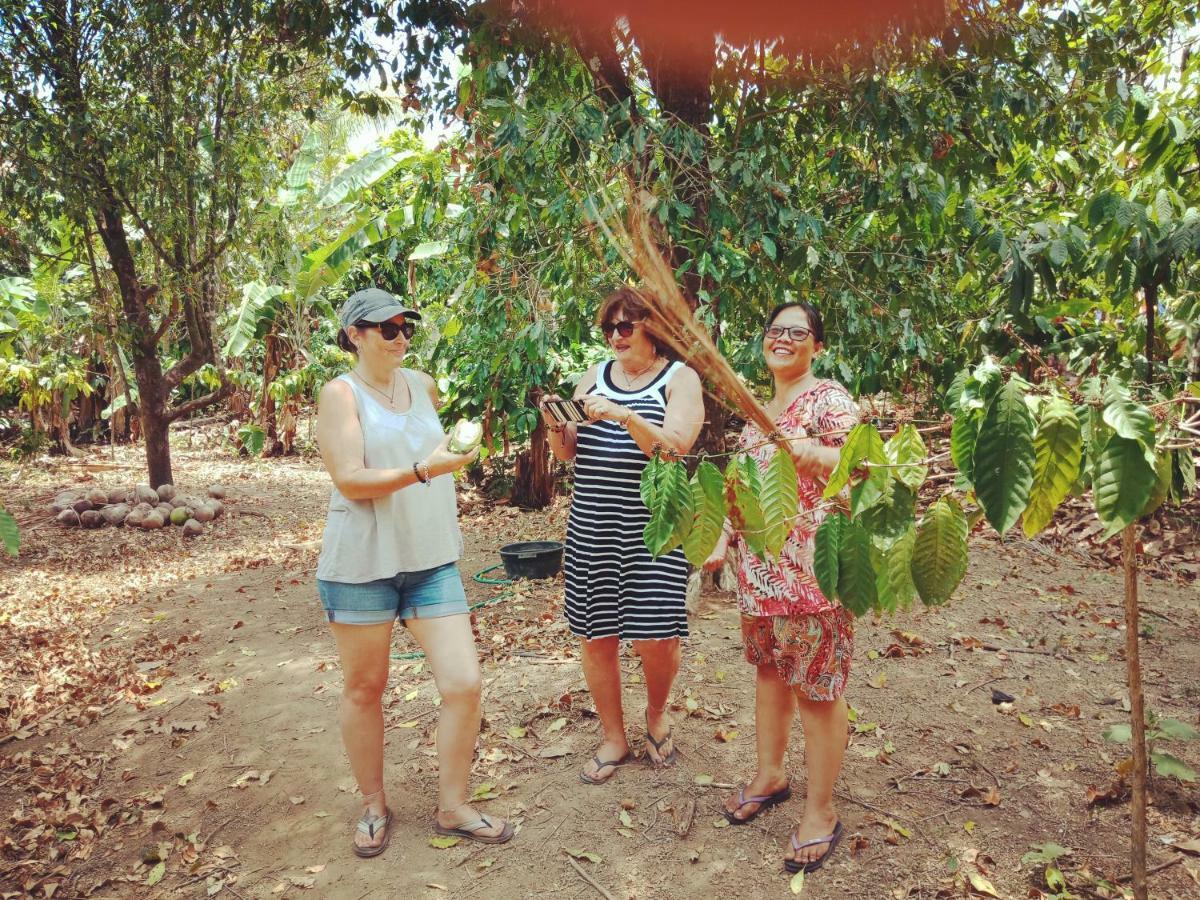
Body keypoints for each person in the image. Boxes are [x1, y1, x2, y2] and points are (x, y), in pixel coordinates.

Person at [314, 288, 513, 858]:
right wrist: (427, 469)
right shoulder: (340, 394)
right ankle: (374, 804)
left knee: (463, 683)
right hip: (362, 564)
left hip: (430, 559)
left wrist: (457, 453)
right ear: (355, 335)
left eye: (406, 327)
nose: (401, 337)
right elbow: (350, 479)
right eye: (387, 328)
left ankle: (453, 805)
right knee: (365, 688)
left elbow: (439, 445)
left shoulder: (423, 384)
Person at [703, 301, 859, 875]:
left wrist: (813, 451)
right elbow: (742, 486)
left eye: (798, 332)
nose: (784, 339)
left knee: (817, 691)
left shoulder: (828, 399)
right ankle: (771, 775)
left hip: (814, 575)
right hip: (761, 575)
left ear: (816, 345)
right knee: (769, 672)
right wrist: (722, 536)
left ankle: (822, 811)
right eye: (775, 331)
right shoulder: (758, 414)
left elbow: (860, 468)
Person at [542, 287, 704, 784]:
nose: (615, 336)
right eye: (609, 328)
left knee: (656, 634)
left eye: (625, 326)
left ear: (652, 328)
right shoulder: (594, 376)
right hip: (592, 525)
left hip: (653, 529)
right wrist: (555, 426)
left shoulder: (680, 380)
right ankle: (613, 735)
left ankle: (656, 715)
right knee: (597, 635)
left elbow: (674, 449)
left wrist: (627, 415)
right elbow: (569, 453)